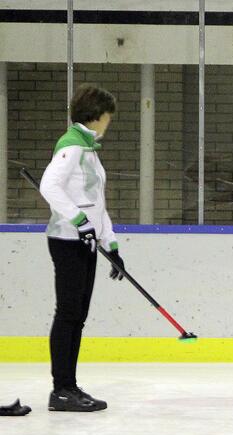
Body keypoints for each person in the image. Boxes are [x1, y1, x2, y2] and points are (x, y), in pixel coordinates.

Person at [39, 84, 125, 412]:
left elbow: (95, 204)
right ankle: (60, 390)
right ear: (96, 116)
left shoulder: (88, 150)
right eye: (107, 117)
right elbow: (49, 186)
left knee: (78, 316)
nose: (109, 122)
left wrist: (111, 244)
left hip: (85, 241)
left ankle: (70, 387)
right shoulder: (72, 146)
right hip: (66, 241)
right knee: (69, 314)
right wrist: (78, 221)